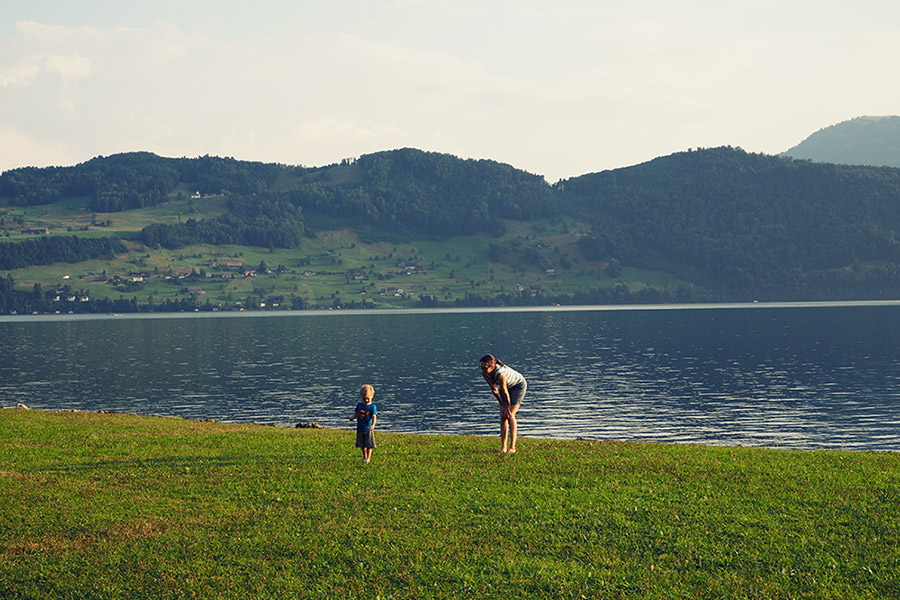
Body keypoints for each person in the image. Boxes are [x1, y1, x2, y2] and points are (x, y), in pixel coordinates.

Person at [479, 354, 527, 454]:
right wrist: (501, 404)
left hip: (518, 386)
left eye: (484, 368)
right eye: (481, 367)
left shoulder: (500, 374)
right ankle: (503, 448)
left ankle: (512, 448)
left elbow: (505, 391)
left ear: (492, 367)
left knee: (510, 415)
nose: (482, 370)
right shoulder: (485, 373)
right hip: (505, 387)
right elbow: (494, 389)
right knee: (503, 417)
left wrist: (507, 406)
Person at [349, 384, 377, 463]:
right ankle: (364, 457)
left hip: (368, 428)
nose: (366, 400)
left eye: (368, 398)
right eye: (364, 399)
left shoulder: (372, 407)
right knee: (362, 444)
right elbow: (356, 413)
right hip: (360, 428)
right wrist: (352, 417)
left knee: (369, 444)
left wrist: (373, 424)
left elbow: (374, 416)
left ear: (372, 396)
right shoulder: (359, 405)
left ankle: (368, 457)